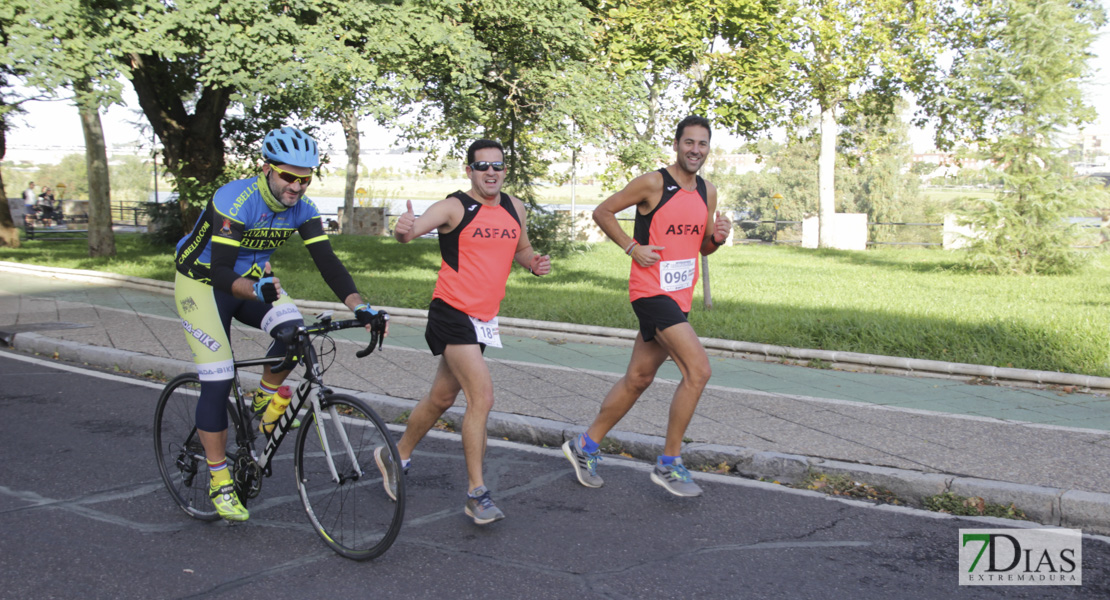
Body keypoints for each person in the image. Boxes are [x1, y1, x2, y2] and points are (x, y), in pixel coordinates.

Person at [173, 126, 389, 521]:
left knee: (296, 332)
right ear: (267, 168)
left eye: (305, 178)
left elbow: (328, 264)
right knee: (218, 380)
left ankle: (264, 398)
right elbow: (221, 271)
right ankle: (219, 479)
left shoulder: (302, 209)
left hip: (252, 281)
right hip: (203, 284)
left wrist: (361, 307)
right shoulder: (234, 199)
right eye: (289, 176)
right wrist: (258, 291)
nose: (297, 186)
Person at [375, 139, 551, 525]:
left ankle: (396, 454)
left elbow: (522, 248)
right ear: (468, 170)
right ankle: (477, 493)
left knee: (441, 398)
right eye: (482, 166)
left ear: (505, 170)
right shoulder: (454, 206)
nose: (491, 172)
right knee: (482, 396)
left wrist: (533, 262)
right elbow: (410, 232)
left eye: (498, 166)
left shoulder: (513, 207)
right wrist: (404, 229)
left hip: (483, 321)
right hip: (451, 312)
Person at [562, 115, 731, 497]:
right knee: (699, 371)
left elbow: (702, 246)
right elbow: (603, 211)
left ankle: (584, 445)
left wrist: (717, 239)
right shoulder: (654, 183)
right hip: (650, 292)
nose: (695, 150)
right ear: (676, 144)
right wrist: (631, 247)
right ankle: (669, 463)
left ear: (708, 149)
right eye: (689, 143)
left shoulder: (708, 192)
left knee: (638, 378)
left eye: (702, 144)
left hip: (679, 297)